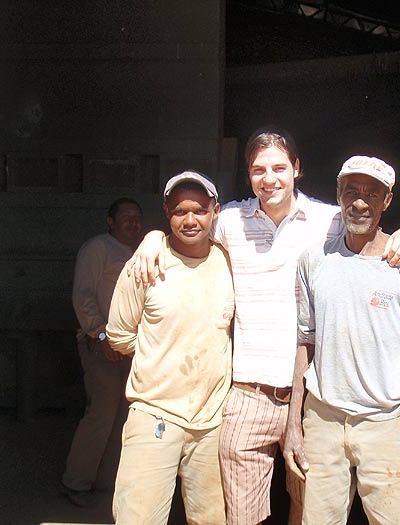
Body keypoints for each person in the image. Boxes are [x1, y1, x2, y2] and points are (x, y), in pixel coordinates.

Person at [132, 128, 400, 525]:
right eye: (259, 170)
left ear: (296, 169)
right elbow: (187, 229)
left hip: (312, 399)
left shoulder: (329, 221)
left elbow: (371, 227)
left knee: (310, 510)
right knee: (242, 516)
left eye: (279, 168)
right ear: (249, 175)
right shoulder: (230, 221)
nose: (270, 179)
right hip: (247, 395)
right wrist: (152, 237)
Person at [283, 155, 400, 525]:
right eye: (351, 191)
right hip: (324, 422)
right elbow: (305, 341)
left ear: (387, 201)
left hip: (387, 426)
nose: (360, 202)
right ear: (338, 195)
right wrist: (294, 424)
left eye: (372, 194)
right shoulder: (314, 260)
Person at [106, 171, 234, 525]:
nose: (190, 220)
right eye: (180, 211)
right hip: (154, 416)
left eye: (200, 210)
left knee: (212, 520)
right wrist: (160, 352)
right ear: (166, 212)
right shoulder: (145, 264)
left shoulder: (228, 262)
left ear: (215, 211)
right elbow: (119, 335)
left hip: (212, 422)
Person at [59, 197, 143, 507]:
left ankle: (106, 482)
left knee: (125, 416)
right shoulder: (98, 248)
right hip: (101, 345)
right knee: (101, 415)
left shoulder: (141, 253)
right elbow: (83, 297)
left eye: (136, 217)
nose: (132, 222)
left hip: (132, 348)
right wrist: (102, 334)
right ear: (110, 221)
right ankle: (75, 482)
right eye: (125, 216)